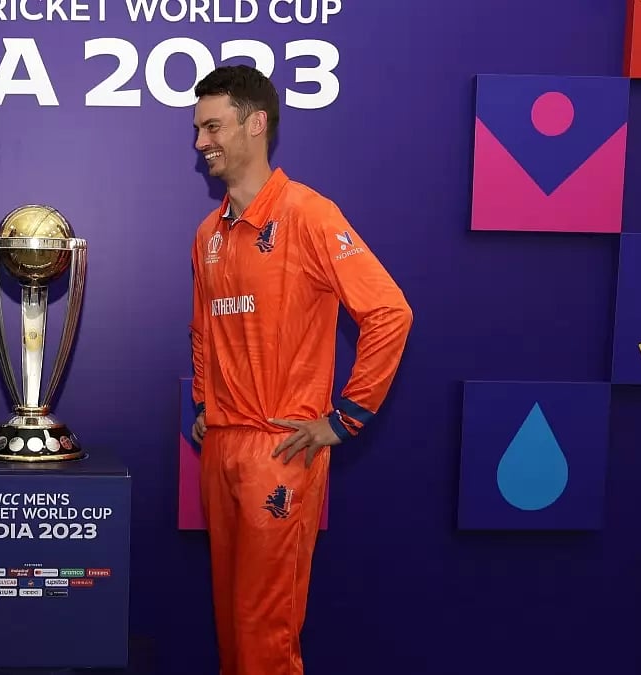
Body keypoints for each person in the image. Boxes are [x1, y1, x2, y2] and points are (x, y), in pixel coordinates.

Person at [187, 65, 413, 675]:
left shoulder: (309, 214)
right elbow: (203, 327)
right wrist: (205, 403)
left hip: (279, 450)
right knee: (232, 627)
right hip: (222, 448)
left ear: (256, 124)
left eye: (213, 126)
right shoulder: (208, 233)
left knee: (266, 632)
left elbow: (390, 312)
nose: (201, 141)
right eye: (198, 129)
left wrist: (346, 419)